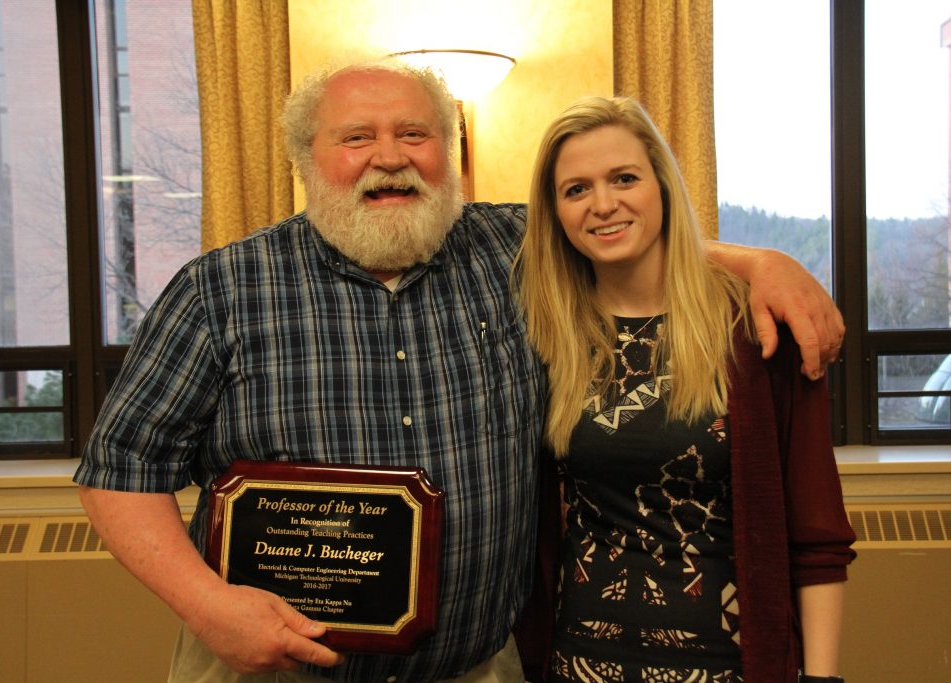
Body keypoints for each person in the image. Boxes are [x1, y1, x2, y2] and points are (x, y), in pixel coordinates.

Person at [74, 61, 846, 683]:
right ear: (306, 159)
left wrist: (761, 261)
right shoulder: (219, 291)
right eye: (356, 137)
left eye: (415, 133)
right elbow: (119, 470)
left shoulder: (509, 250)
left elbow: (622, 231)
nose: (389, 156)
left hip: (482, 667)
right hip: (272, 669)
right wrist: (207, 605)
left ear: (451, 152)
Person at [515, 96, 856, 683]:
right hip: (578, 663)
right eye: (577, 189)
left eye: (624, 178)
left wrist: (821, 679)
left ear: (663, 186)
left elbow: (818, 538)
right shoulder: (544, 332)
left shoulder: (756, 328)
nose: (603, 204)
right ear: (556, 212)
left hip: (727, 665)